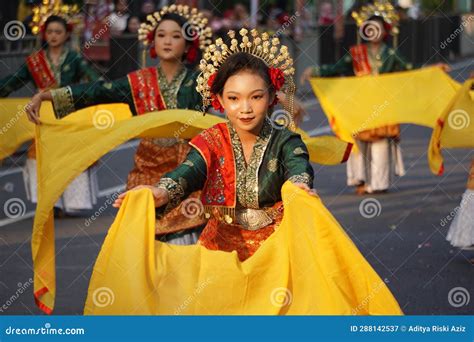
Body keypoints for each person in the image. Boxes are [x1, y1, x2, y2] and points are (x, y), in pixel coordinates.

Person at [103, 30, 401, 315]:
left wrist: (298, 189)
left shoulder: (286, 141)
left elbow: (299, 169)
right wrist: (159, 191)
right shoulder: (210, 142)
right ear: (219, 100)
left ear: (272, 97)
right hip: (217, 255)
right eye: (233, 98)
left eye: (255, 97)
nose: (244, 108)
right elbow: (187, 173)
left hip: (275, 254)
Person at [26, 5, 213, 244]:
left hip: (187, 169)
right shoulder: (137, 81)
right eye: (161, 35)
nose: (167, 41)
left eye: (176, 36)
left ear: (188, 45)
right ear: (152, 41)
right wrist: (45, 97)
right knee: (142, 241)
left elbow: (233, 101)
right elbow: (96, 92)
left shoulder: (200, 83)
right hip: (146, 169)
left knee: (185, 244)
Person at [301, 2, 409, 195]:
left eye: (377, 28)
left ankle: (378, 183)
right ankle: (359, 178)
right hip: (360, 104)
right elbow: (336, 68)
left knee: (380, 143)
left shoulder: (391, 53)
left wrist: (433, 71)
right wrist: (315, 70)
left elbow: (410, 70)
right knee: (357, 141)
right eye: (369, 28)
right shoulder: (356, 54)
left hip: (383, 104)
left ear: (385, 30)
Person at [0, 14, 100, 215]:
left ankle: (72, 201)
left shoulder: (74, 59)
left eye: (58, 32)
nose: (53, 36)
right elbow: (13, 81)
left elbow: (93, 79)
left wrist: (100, 93)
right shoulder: (35, 61)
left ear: (66, 35)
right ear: (45, 34)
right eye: (50, 31)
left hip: (68, 113)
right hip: (43, 116)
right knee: (41, 157)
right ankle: (50, 203)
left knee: (69, 156)